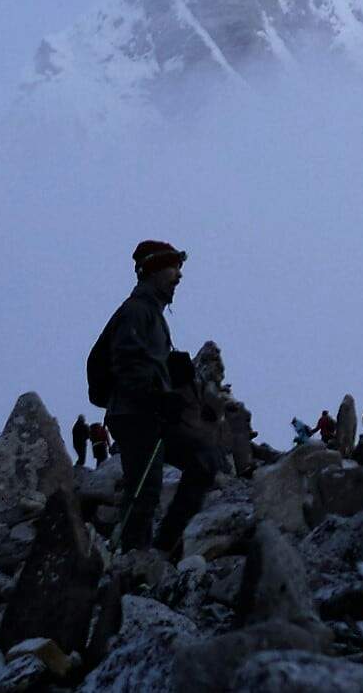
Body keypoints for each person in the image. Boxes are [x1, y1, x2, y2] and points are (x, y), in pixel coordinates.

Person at [97, 239, 222, 557]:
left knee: (204, 459)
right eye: (173, 268)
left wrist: (174, 377)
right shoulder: (136, 311)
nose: (179, 276)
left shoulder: (152, 314)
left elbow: (145, 363)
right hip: (136, 414)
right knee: (144, 488)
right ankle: (130, 558)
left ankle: (163, 547)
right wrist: (157, 396)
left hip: (153, 413)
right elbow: (127, 363)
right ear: (152, 271)